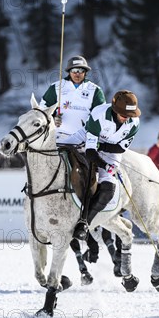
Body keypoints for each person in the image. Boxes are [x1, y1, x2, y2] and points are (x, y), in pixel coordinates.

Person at [60, 90, 141, 240]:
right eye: (123, 114)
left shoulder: (134, 123)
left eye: (129, 115)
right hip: (85, 140)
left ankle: (84, 223)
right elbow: (91, 152)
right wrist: (99, 154)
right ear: (114, 109)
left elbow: (120, 148)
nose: (126, 118)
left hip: (111, 152)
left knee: (108, 190)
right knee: (57, 151)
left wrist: (106, 165)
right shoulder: (99, 114)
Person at [40, 55, 106, 143]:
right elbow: (42, 110)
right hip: (58, 136)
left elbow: (102, 115)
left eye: (81, 71)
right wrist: (52, 119)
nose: (77, 74)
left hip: (83, 138)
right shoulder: (56, 87)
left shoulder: (95, 90)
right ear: (69, 72)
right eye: (74, 71)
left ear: (85, 72)